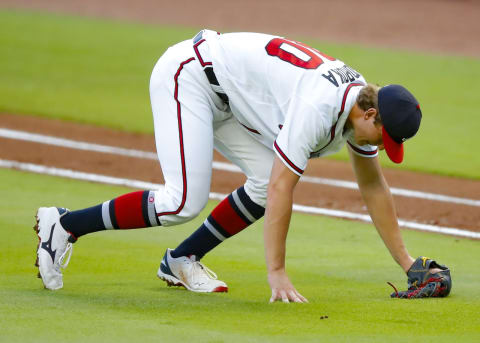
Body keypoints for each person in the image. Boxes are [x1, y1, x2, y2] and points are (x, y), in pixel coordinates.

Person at [34, 29, 426, 301]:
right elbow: (281, 188)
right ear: (371, 113)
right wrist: (277, 273)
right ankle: (65, 225)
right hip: (189, 76)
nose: (380, 146)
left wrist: (408, 264)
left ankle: (181, 260)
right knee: (181, 202)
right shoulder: (318, 108)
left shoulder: (358, 106)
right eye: (384, 137)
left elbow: (374, 187)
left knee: (259, 180)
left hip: (228, 97)